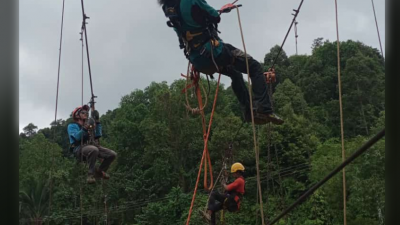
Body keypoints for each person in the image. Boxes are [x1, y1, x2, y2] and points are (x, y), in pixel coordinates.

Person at [158, 0, 284, 125]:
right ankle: (264, 109)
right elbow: (215, 17)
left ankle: (248, 113)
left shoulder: (169, 7)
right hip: (214, 51)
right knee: (254, 67)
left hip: (198, 58)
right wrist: (217, 13)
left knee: (235, 74)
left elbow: (189, 24)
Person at [67, 104, 117, 184]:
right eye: (83, 112)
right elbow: (77, 137)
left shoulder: (89, 125)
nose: (86, 114)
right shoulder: (72, 126)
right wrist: (85, 128)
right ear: (77, 115)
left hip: (92, 146)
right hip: (79, 148)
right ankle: (90, 174)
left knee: (112, 154)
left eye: (86, 112)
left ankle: (100, 171)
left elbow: (97, 135)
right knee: (94, 150)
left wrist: (97, 121)